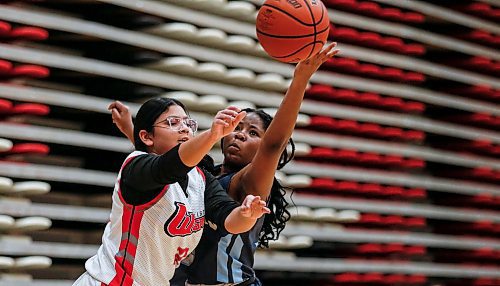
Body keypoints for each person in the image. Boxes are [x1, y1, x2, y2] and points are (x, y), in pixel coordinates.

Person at [111, 42, 339, 286]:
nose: (240, 135)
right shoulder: (203, 175)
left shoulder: (250, 183)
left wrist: (300, 80)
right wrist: (133, 131)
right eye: (238, 128)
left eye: (253, 133)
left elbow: (273, 145)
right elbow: (167, 165)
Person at [73, 98, 271, 286]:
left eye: (188, 123)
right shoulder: (135, 167)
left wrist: (247, 215)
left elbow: (228, 217)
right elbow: (168, 165)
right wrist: (212, 134)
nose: (184, 128)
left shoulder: (199, 178)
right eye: (173, 122)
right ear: (146, 137)